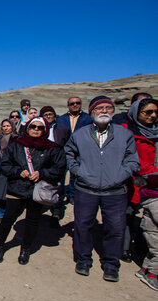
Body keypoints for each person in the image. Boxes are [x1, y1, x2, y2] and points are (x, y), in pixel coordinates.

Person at [65, 96, 140, 282]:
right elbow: (69, 153)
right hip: (86, 188)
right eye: (99, 108)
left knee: (115, 228)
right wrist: (79, 171)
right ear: (92, 112)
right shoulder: (80, 134)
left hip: (115, 191)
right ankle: (83, 259)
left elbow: (132, 160)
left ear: (113, 111)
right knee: (83, 225)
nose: (104, 111)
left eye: (108, 107)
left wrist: (121, 175)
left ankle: (111, 264)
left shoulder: (124, 135)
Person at [0, 117, 65, 265]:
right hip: (17, 188)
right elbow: (5, 165)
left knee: (32, 220)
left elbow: (59, 169)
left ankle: (25, 248)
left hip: (38, 190)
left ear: (45, 130)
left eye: (40, 128)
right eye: (33, 126)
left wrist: (42, 173)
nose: (36, 130)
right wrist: (18, 171)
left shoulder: (53, 148)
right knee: (8, 218)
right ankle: (0, 245)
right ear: (27, 128)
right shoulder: (16, 146)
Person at [123, 97, 158, 290]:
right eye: (148, 112)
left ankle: (147, 265)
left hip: (152, 186)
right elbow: (132, 159)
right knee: (130, 217)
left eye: (155, 112)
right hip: (138, 184)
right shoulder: (129, 134)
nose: (153, 116)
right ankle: (127, 251)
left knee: (150, 226)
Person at [56, 97, 93, 205]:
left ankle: (72, 194)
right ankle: (59, 196)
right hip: (63, 151)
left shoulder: (88, 119)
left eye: (77, 103)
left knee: (75, 174)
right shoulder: (61, 119)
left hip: (80, 151)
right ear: (68, 105)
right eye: (72, 103)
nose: (75, 105)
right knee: (60, 175)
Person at [41, 106, 71, 223]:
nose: (48, 116)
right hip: (42, 162)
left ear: (54, 115)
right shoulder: (38, 127)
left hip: (59, 162)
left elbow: (69, 145)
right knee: (41, 185)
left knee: (58, 186)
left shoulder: (63, 128)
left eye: (50, 114)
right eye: (45, 114)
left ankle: (57, 210)